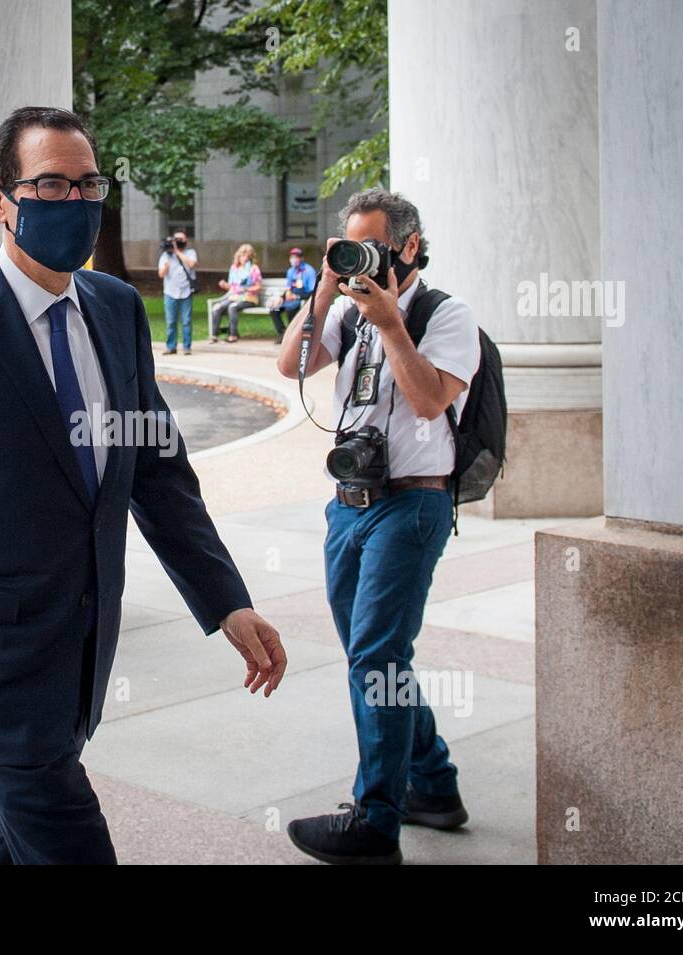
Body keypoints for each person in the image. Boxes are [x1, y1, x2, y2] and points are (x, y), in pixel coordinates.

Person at [0, 106, 287, 865]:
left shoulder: (118, 308)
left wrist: (225, 598)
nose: (76, 204)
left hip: (82, 653)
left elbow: (158, 473)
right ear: (0, 200)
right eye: (51, 186)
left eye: (88, 184)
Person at [275, 188, 480, 865]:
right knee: (376, 656)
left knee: (376, 656)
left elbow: (427, 401)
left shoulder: (445, 314)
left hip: (412, 504)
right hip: (349, 503)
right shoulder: (348, 312)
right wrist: (327, 288)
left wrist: (392, 324)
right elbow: (291, 364)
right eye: (349, 244)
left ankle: (376, 819)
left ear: (409, 246)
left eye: (372, 245)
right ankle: (434, 784)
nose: (360, 257)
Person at [207, 243, 261, 343]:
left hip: (248, 297)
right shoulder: (234, 269)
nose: (245, 258)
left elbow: (258, 286)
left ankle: (233, 335)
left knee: (232, 307)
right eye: (243, 255)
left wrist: (248, 289)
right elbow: (232, 287)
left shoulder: (254, 269)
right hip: (234, 296)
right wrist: (224, 285)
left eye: (248, 256)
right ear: (238, 256)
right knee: (217, 307)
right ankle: (214, 335)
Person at [157, 230, 197, 355]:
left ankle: (186, 347)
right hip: (170, 292)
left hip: (186, 292)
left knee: (186, 321)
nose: (178, 242)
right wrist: (166, 267)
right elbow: (161, 274)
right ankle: (171, 346)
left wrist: (177, 252)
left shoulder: (190, 252)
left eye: (181, 240)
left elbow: (191, 264)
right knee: (171, 322)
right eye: (176, 240)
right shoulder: (165, 255)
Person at [268, 247, 317, 344]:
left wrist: (297, 297)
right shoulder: (291, 271)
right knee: (274, 308)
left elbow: (312, 291)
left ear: (301, 258)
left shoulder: (309, 271)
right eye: (292, 257)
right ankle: (282, 333)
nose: (294, 259)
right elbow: (289, 287)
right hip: (291, 297)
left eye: (296, 257)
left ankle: (292, 334)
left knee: (291, 309)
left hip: (303, 297)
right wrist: (282, 297)